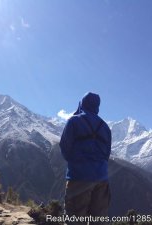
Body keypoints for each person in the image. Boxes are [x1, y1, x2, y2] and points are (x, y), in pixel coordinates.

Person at [60, 92, 111, 225]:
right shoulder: (105, 127)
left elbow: (65, 146)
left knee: (74, 219)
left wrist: (75, 162)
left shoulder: (74, 121)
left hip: (79, 177)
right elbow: (107, 154)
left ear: (82, 103)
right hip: (102, 178)